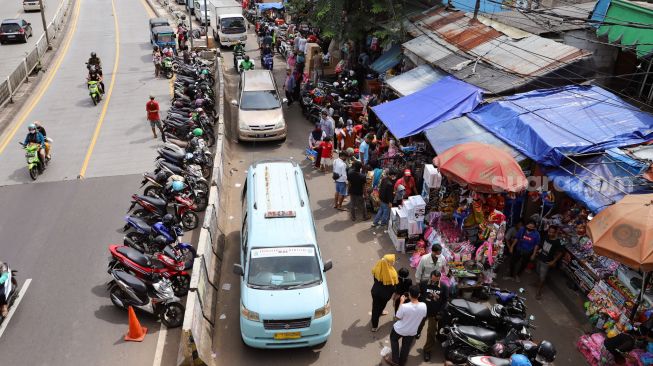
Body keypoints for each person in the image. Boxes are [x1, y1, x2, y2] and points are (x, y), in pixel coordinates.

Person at [385, 285, 426, 366]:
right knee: (406, 347)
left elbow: (397, 317)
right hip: (412, 331)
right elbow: (423, 316)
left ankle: (395, 360)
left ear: (409, 295)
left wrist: (401, 301)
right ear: (419, 295)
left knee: (394, 340)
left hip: (400, 329)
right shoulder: (424, 306)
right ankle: (402, 362)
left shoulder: (404, 306)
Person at [419, 270, 449, 361]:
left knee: (431, 332)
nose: (434, 281)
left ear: (439, 278)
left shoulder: (444, 286)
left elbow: (445, 300)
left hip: (434, 314)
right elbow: (418, 295)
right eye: (433, 279)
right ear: (430, 276)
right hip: (422, 311)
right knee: (418, 325)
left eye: (436, 280)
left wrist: (441, 312)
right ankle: (417, 332)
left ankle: (427, 350)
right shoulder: (423, 283)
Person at [532, 225, 564, 299]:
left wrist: (553, 261)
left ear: (555, 233)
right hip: (540, 258)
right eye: (549, 232)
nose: (550, 234)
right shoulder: (546, 237)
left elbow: (561, 253)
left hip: (546, 262)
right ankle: (537, 283)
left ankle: (538, 291)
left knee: (542, 277)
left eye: (552, 232)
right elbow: (540, 245)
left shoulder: (558, 242)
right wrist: (535, 253)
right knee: (538, 272)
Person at [370, 254, 398, 332]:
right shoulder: (392, 273)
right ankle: (378, 317)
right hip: (385, 295)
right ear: (389, 262)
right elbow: (394, 286)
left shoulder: (377, 268)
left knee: (375, 307)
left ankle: (375, 324)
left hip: (375, 292)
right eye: (393, 261)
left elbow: (375, 279)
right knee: (381, 305)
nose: (394, 262)